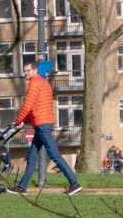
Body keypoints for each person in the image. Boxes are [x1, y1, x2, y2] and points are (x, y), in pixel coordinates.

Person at [6, 60, 82, 196]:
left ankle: (74, 183)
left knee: (54, 155)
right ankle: (22, 188)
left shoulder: (35, 84)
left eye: (28, 70)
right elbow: (36, 108)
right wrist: (25, 121)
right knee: (32, 156)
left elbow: (28, 105)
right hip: (42, 124)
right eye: (24, 71)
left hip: (42, 126)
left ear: (35, 70)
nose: (25, 73)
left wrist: (19, 120)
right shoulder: (43, 84)